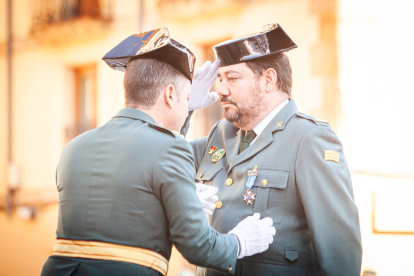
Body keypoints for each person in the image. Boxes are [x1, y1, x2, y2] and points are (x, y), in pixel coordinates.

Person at [40, 27, 276, 276]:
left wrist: (166, 204)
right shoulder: (170, 149)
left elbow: (117, 215)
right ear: (170, 94)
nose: (188, 107)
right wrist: (240, 241)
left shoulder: (74, 146)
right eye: (187, 99)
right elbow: (199, 247)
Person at [188, 23, 362, 276]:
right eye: (220, 80)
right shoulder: (221, 133)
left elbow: (340, 255)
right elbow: (163, 159)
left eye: (233, 79)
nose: (221, 90)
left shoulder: (309, 138)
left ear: (268, 80)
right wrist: (182, 109)